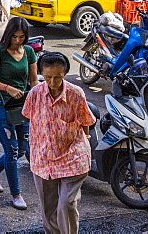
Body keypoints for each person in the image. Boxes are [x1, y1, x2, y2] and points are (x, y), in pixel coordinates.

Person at [23, 52, 96, 234]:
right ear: (42, 74)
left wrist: (84, 142)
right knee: (48, 209)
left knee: (67, 204)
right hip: (43, 158)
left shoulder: (76, 94)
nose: (53, 82)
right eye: (48, 77)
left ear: (65, 74)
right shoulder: (34, 94)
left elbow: (85, 122)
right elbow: (30, 121)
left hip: (72, 156)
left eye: (58, 77)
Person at [0, 17, 37, 210]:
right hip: (1, 104)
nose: (18, 40)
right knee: (11, 150)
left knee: (22, 149)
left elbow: (33, 81)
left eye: (22, 37)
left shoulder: (29, 52)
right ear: (8, 35)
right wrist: (8, 88)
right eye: (14, 36)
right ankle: (16, 194)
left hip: (22, 106)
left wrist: (37, 103)